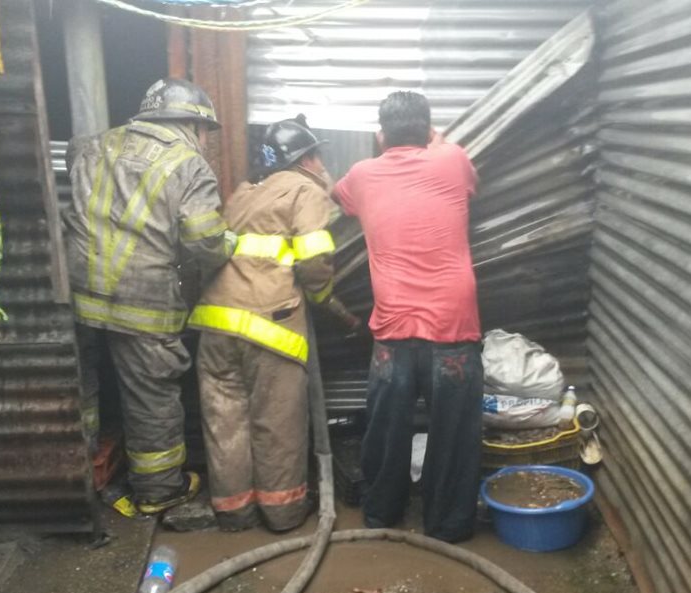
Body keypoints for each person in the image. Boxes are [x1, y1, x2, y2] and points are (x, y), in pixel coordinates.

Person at [64, 78, 235, 515]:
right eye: (204, 132)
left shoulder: (89, 147)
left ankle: (76, 480)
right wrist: (229, 244)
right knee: (150, 396)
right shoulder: (189, 165)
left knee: (80, 391)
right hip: (142, 303)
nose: (203, 142)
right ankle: (159, 492)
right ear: (190, 124)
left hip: (78, 296)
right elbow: (204, 241)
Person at [333, 91, 482, 543]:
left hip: (394, 327)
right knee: (453, 434)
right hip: (453, 325)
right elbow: (466, 179)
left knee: (386, 427)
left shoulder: (361, 175)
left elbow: (341, 200)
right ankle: (449, 526)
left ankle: (381, 515)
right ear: (428, 129)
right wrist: (431, 139)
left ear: (380, 136)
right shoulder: (453, 160)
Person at [189, 117, 340, 532]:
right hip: (269, 327)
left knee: (225, 422)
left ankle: (234, 512)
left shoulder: (242, 193)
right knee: (276, 422)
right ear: (307, 158)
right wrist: (327, 300)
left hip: (214, 326)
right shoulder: (305, 190)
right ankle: (283, 511)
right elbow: (313, 261)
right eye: (318, 154)